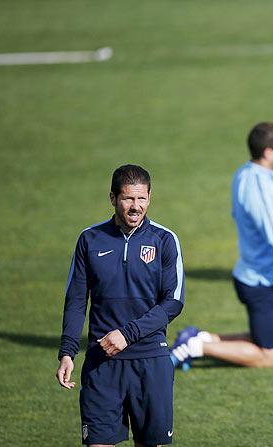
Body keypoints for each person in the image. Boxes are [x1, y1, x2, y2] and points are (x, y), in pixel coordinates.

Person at [170, 122, 273, 369]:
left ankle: (201, 339)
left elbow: (254, 221)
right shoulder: (261, 187)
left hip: (255, 275)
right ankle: (194, 348)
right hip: (261, 283)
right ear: (268, 152)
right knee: (270, 356)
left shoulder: (245, 174)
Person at [55, 165, 185, 447]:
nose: (135, 207)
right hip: (102, 363)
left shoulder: (164, 240)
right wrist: (67, 352)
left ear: (150, 198)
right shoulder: (89, 239)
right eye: (128, 198)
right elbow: (77, 300)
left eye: (142, 199)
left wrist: (127, 335)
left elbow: (173, 303)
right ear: (113, 198)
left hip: (151, 362)